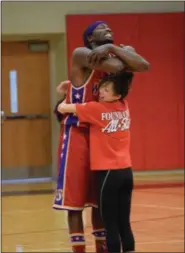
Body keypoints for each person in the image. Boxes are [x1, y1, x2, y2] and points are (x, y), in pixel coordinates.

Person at [53, 20, 149, 253]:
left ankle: (102, 248)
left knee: (100, 201)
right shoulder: (81, 54)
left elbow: (143, 66)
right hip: (76, 134)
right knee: (74, 204)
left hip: (100, 134)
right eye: (101, 28)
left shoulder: (108, 56)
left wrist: (112, 48)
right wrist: (122, 52)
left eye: (110, 29)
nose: (108, 29)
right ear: (89, 38)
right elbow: (121, 66)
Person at [57, 71, 135, 253]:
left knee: (110, 225)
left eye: (106, 90)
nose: (101, 92)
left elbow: (63, 108)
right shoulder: (124, 105)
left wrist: (67, 89)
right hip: (126, 172)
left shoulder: (96, 109)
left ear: (117, 94)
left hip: (108, 174)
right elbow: (126, 83)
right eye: (102, 88)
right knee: (124, 222)